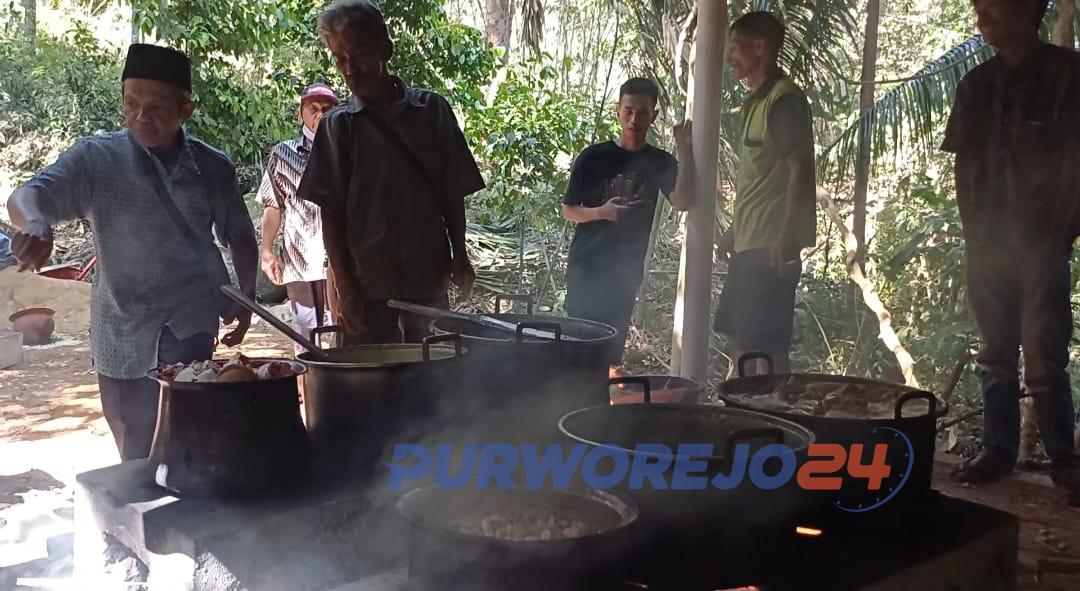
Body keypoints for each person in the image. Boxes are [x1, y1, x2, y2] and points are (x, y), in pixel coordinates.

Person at [6, 44, 258, 461]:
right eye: (131, 104)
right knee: (132, 442)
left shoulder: (213, 167)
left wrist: (247, 295)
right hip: (119, 328)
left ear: (185, 109)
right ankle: (140, 500)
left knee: (187, 435)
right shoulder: (96, 159)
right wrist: (34, 224)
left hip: (189, 322)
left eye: (156, 107)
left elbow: (240, 235)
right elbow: (27, 195)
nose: (141, 116)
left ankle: (190, 497)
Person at [942, 0, 1080, 496]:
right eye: (979, 8)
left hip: (1042, 241)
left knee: (1044, 358)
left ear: (1028, 13)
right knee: (995, 354)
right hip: (987, 242)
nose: (983, 18)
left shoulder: (1068, 76)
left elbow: (1076, 159)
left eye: (994, 9)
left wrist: (1059, 233)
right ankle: (997, 452)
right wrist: (974, 233)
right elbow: (963, 165)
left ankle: (1065, 460)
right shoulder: (976, 85)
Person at [297, 0, 485, 345]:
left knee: (432, 368)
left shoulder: (432, 112)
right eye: (340, 59)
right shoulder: (338, 127)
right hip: (366, 289)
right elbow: (331, 215)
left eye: (359, 53)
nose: (350, 68)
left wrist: (460, 252)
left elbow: (451, 192)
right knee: (372, 375)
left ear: (385, 49)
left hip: (428, 282)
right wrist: (345, 288)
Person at [561, 78, 696, 372]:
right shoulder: (593, 157)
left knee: (610, 353)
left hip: (624, 273)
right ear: (618, 111)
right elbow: (569, 210)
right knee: (578, 347)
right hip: (586, 268)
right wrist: (601, 212)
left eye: (643, 112)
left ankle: (602, 397)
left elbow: (683, 201)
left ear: (654, 115)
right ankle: (572, 395)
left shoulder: (660, 162)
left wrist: (685, 151)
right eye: (628, 111)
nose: (634, 119)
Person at [711, 11, 817, 376]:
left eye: (735, 48)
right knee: (741, 341)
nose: (729, 57)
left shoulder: (784, 101)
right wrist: (734, 230)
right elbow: (758, 178)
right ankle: (745, 407)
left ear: (759, 47)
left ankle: (775, 410)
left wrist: (786, 237)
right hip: (749, 243)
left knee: (768, 349)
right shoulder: (755, 102)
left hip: (770, 248)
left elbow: (800, 170)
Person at [258, 83, 341, 353]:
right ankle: (309, 381)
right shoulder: (283, 154)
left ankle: (341, 381)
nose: (320, 115)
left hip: (342, 259)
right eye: (313, 108)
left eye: (327, 109)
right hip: (300, 258)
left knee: (344, 332)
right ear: (300, 114)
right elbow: (273, 205)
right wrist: (267, 250)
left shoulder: (348, 151)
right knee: (306, 338)